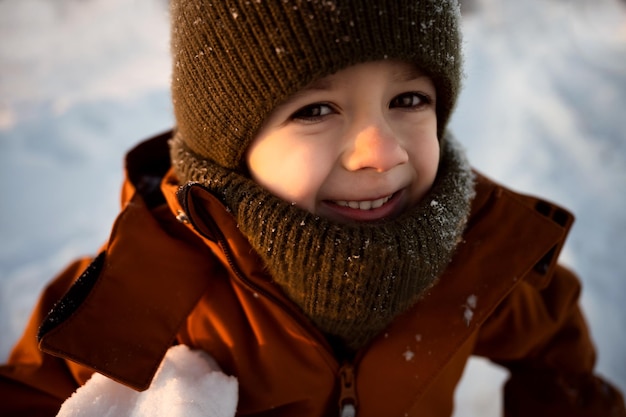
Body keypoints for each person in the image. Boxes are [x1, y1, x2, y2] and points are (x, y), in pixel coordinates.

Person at [0, 1, 624, 416]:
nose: (380, 152)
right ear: (231, 146)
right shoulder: (146, 285)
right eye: (316, 110)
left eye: (408, 98)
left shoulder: (478, 256)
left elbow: (556, 352)